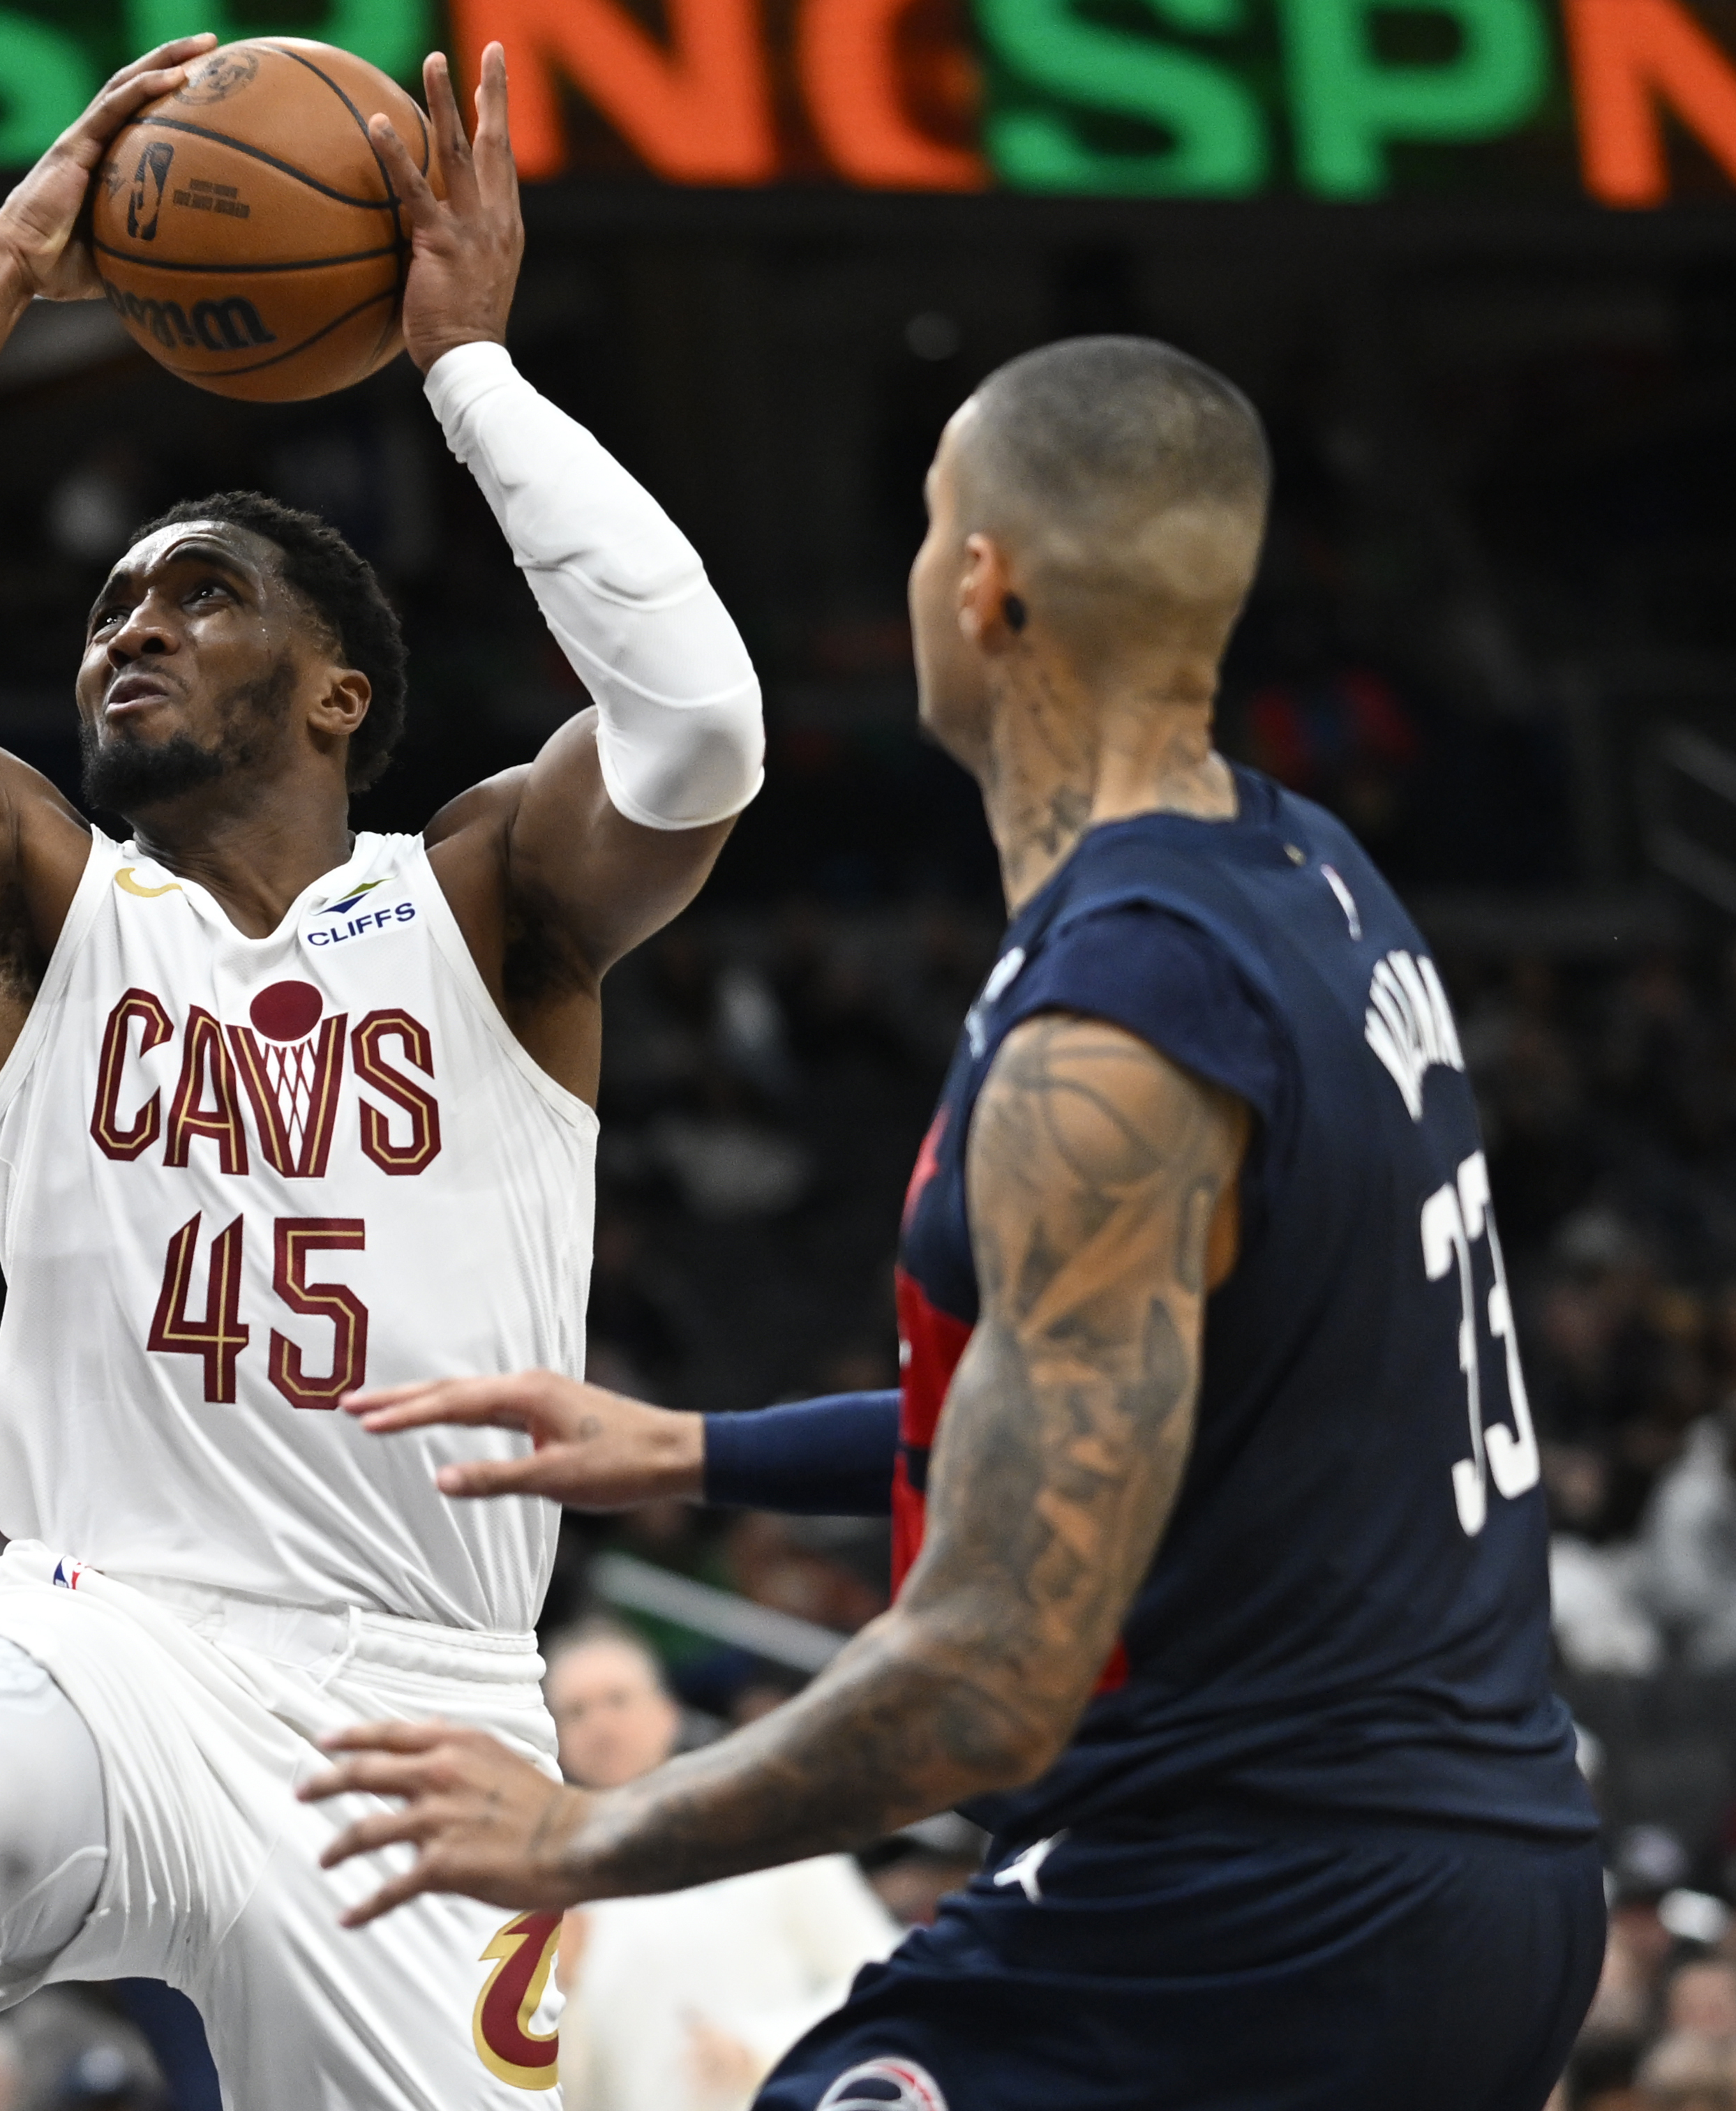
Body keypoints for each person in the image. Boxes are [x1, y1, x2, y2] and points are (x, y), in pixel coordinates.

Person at [305, 337, 1606, 2107]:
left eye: (926, 529)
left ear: (981, 583)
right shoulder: (1308, 876)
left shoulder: (1121, 1015)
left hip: (1236, 1914)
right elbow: (1139, 1413)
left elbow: (987, 1677)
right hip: (1491, 1883)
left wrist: (571, 1832)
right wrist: (696, 1447)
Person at [0, 33, 763, 2109]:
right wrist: (16, 251)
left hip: (425, 1699)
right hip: (106, 1628)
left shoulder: (483, 902)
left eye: (195, 598)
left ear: (337, 689)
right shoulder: (31, 903)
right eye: (109, 605)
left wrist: (466, 369)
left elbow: (701, 731)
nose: (128, 628)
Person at [537, 1625, 895, 2111]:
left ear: (667, 1714)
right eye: (576, 1711)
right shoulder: (553, 1886)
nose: (600, 1725)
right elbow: (562, 2095)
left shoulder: (761, 1828)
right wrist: (565, 1995)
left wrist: (759, 2048)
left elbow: (879, 1973)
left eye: (616, 1700)